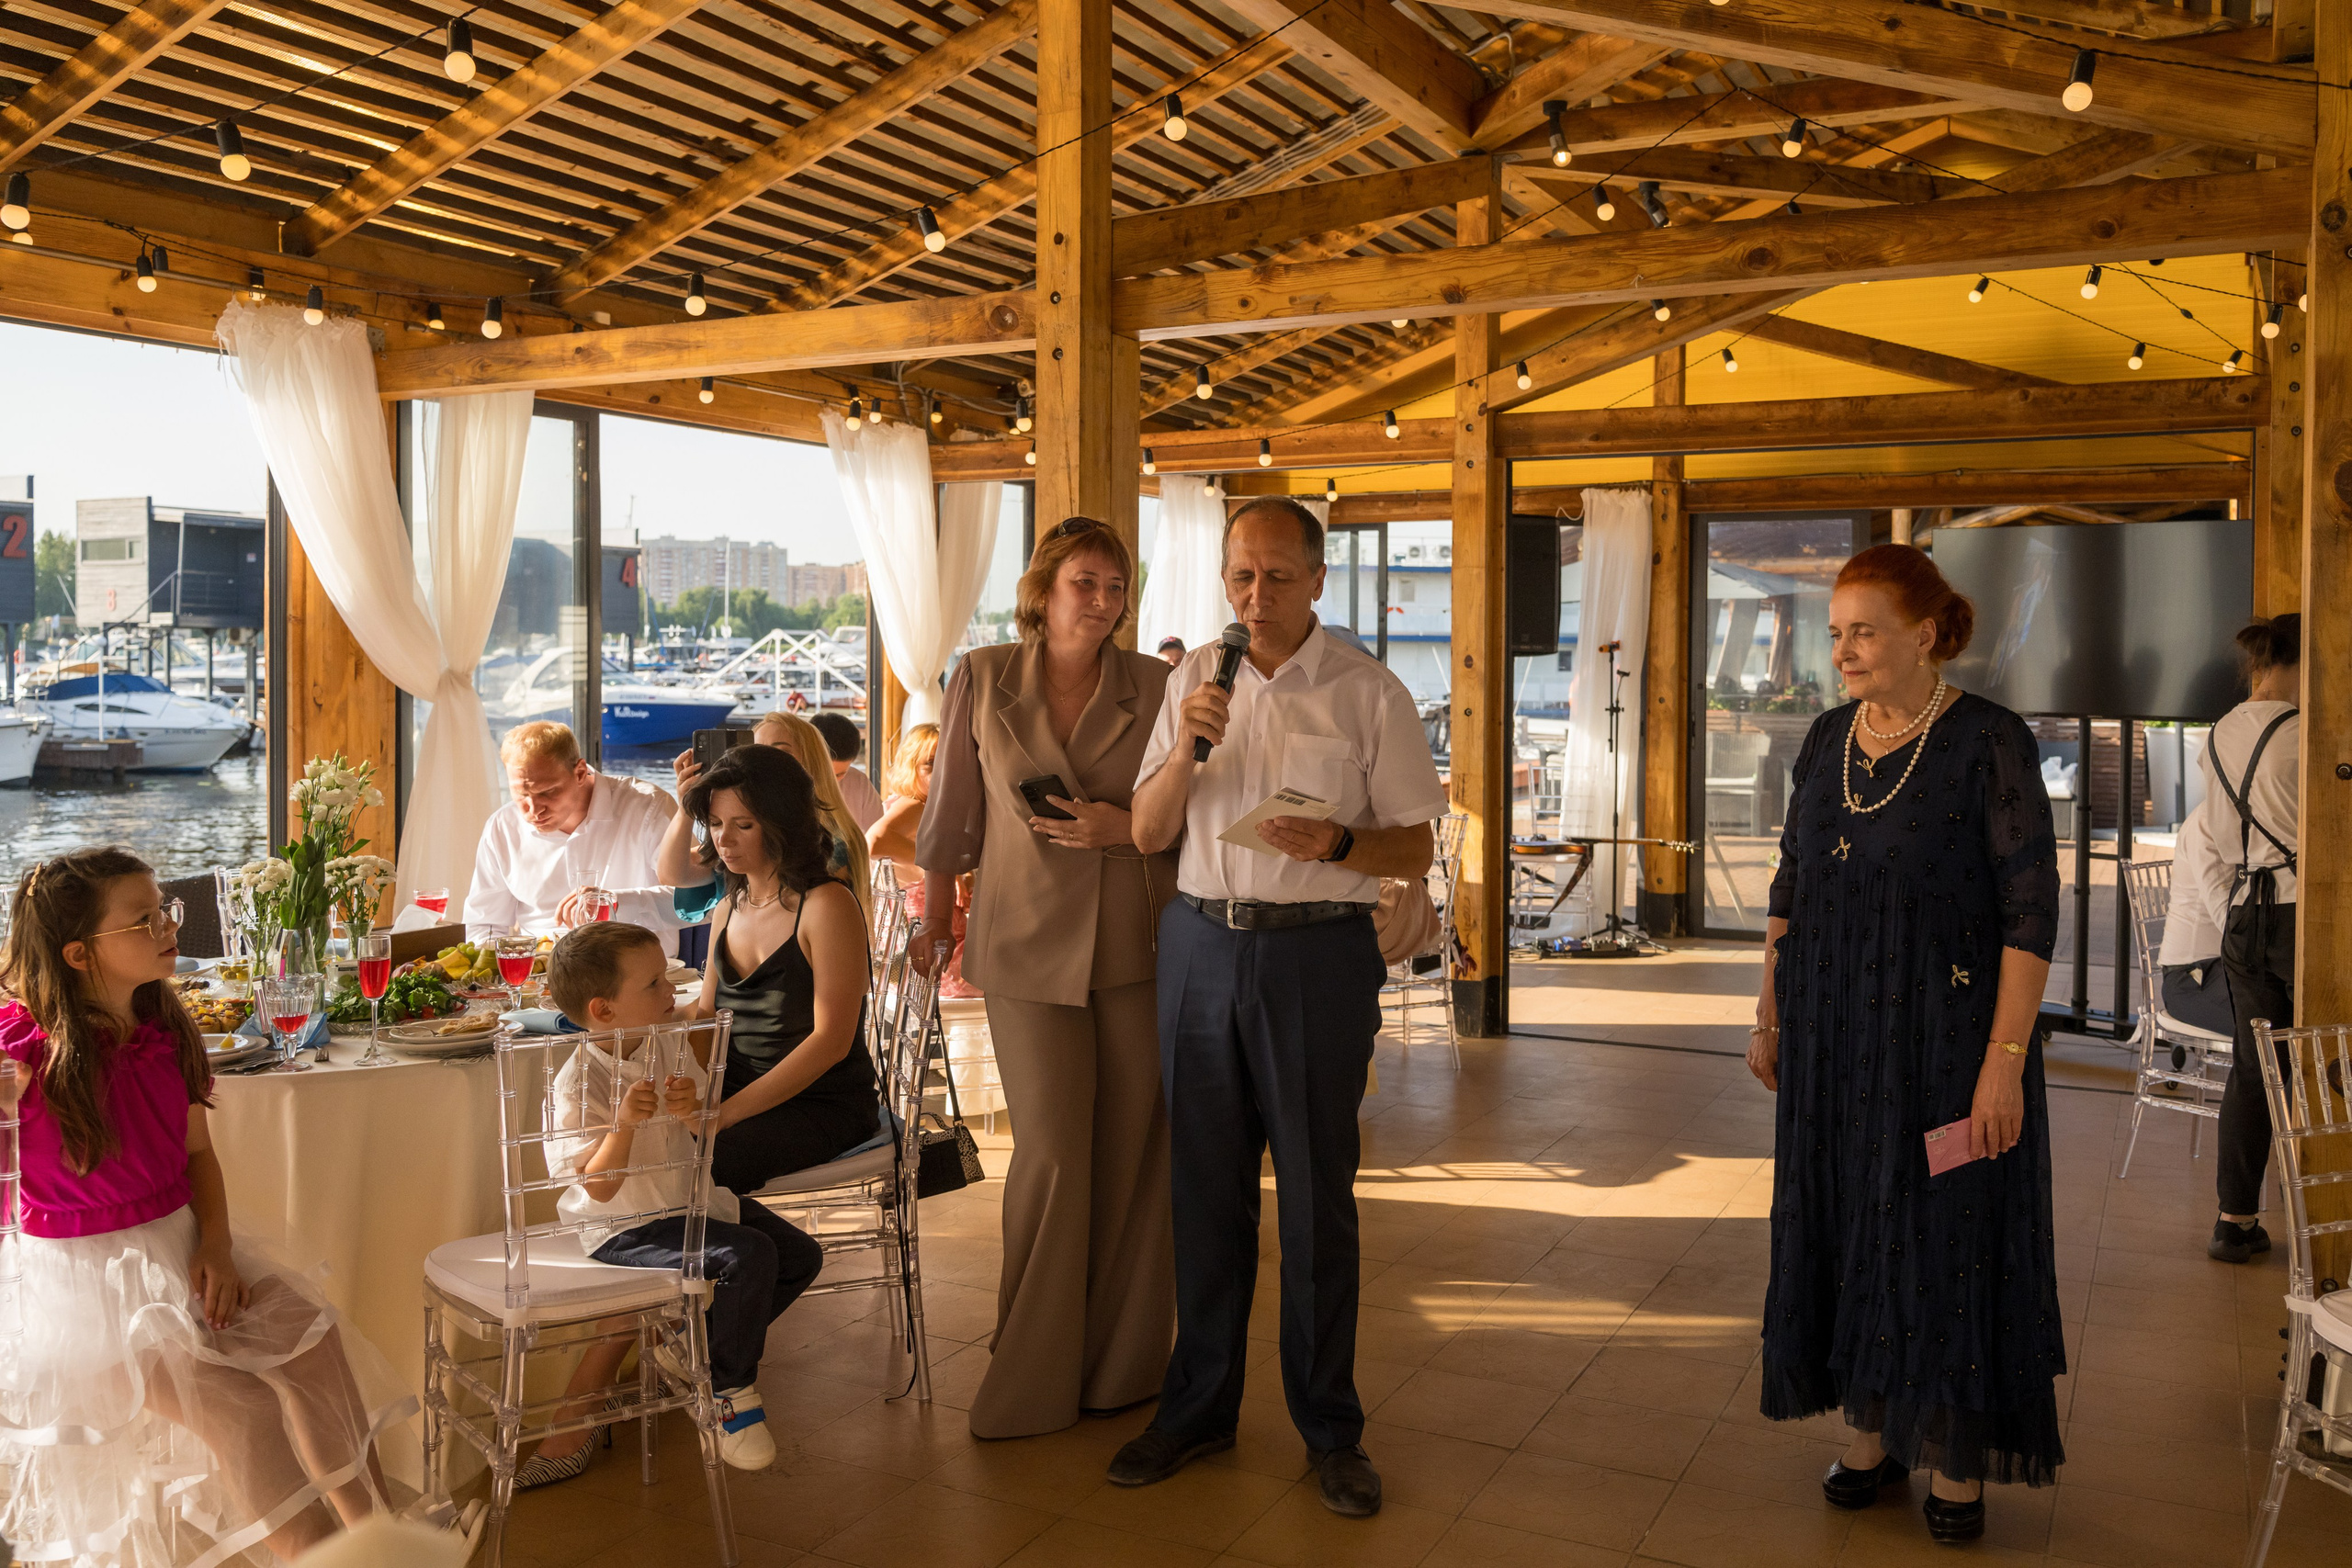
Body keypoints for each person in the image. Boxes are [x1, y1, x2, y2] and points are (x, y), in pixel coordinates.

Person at [1111, 498, 1447, 1518]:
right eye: (1240, 578)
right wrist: (1184, 751)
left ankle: (1330, 1429)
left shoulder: (1367, 691)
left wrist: (1341, 847)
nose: (1255, 597)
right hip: (1201, 947)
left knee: (1313, 1198)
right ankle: (1200, 1406)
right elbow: (1144, 833)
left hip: (1315, 959)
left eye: (1277, 578)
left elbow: (1415, 847)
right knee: (1202, 1196)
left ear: (1316, 580)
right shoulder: (1187, 686)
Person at [1746, 544, 2064, 1544]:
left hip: (1946, 1042)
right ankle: (1871, 1428)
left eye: (1863, 630)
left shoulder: (1988, 742)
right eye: (1834, 631)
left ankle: (1957, 1455)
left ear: (1924, 634)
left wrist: (2002, 1064)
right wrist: (1769, 1010)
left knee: (1946, 1236)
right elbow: (1789, 885)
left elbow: (2029, 916)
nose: (1841, 649)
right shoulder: (1827, 736)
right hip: (1834, 1034)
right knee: (1847, 1221)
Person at [0, 848, 418, 1562]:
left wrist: (216, 1245)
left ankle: (380, 1539)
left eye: (166, 908)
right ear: (78, 953)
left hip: (187, 1244)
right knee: (240, 1407)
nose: (168, 925)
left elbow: (197, 1156)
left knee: (313, 1338)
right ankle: (316, 1559)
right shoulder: (19, 1053)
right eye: (144, 918)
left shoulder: (163, 1028)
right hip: (85, 1293)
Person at [914, 515, 1182, 1439]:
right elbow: (950, 808)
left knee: (1136, 1152)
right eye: (1085, 583)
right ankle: (1030, 1371)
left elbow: (1199, 805)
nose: (1102, 602)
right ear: (1044, 587)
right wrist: (934, 915)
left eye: (1115, 586)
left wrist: (1127, 827)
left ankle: (1122, 1367)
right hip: (1023, 942)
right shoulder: (983, 676)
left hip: (1139, 938)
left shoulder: (1157, 684)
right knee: (1055, 1151)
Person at [514, 921, 824, 1486]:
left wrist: (690, 1110)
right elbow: (599, 1189)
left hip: (688, 1203)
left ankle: (692, 1347)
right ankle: (727, 1390)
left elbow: (703, 1130)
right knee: (746, 1256)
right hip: (624, 1226)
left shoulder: (667, 1043)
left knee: (799, 1254)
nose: (671, 994)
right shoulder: (578, 1081)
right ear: (604, 1011)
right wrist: (623, 1125)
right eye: (655, 983)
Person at [679, 746, 877, 1195]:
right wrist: (627, 1027)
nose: (722, 841)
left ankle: (754, 1257)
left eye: (742, 825)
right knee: (640, 1142)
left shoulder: (827, 906)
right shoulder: (730, 906)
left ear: (783, 824)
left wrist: (722, 1113)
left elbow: (831, 1042)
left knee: (696, 1164)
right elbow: (706, 1012)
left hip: (820, 1104)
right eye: (714, 824)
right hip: (739, 1092)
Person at [2190, 614, 2300, 1264]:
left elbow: (2215, 836)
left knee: (2253, 1069)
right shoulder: (2311, 729)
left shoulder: (2219, 731)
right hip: (2298, 913)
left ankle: (2234, 1220)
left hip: (2242, 914)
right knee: (2325, 1063)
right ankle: (2327, 1218)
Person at [465, 721, 681, 943]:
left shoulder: (648, 807)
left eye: (547, 792)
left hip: (636, 969)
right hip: (539, 971)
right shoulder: (502, 827)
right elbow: (485, 925)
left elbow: (700, 903)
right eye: (521, 794)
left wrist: (615, 904)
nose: (534, 809)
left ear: (579, 773)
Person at [661, 713, 871, 919]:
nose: (763, 764)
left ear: (810, 766)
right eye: (755, 752)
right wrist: (686, 806)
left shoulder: (832, 845)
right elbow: (674, 874)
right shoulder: (747, 837)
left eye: (780, 755)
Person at [870, 722, 976, 997]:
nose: (943, 772)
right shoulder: (914, 804)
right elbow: (874, 841)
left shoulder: (926, 806)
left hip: (917, 932)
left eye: (950, 763)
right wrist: (947, 871)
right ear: (910, 768)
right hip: (922, 931)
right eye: (930, 764)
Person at [2155, 807, 2234, 1038]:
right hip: (2191, 978)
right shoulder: (2208, 822)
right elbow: (2228, 920)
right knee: (2273, 1022)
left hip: (2227, 968)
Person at [811, 710, 887, 833]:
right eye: (825, 773)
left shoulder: (858, 782)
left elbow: (880, 831)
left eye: (839, 774)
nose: (832, 781)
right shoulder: (790, 785)